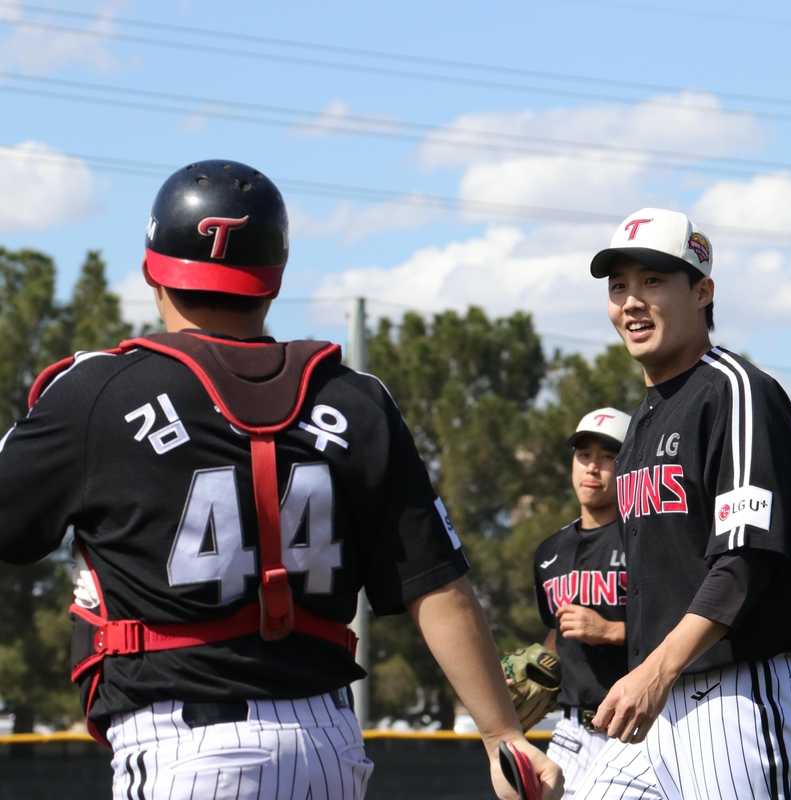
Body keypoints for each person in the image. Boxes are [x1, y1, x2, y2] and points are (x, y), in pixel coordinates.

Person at [0, 160, 561, 800]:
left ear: (155, 270)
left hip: (183, 745)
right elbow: (437, 585)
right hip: (327, 744)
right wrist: (501, 736)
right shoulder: (354, 400)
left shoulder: (96, 395)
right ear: (274, 278)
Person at [575, 208, 791, 799]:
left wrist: (656, 671)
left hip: (744, 687)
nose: (632, 301)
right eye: (619, 287)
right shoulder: (641, 423)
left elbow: (745, 560)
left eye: (654, 281)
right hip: (658, 701)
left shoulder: (736, 391)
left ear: (703, 291)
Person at [533, 408, 631, 799]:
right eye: (584, 454)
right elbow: (558, 630)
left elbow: (677, 626)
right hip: (572, 730)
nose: (593, 467)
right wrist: (536, 669)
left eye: (608, 457)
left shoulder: (643, 540)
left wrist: (609, 630)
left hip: (636, 727)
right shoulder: (548, 552)